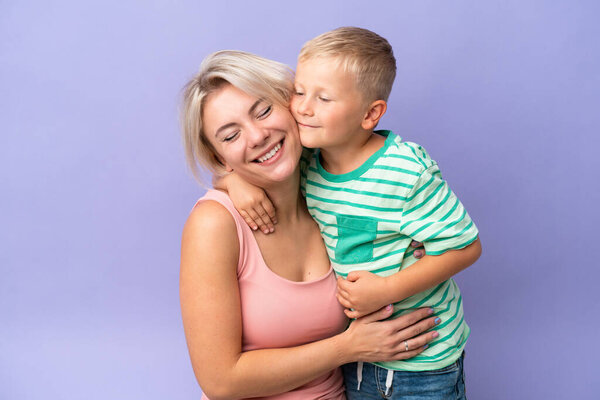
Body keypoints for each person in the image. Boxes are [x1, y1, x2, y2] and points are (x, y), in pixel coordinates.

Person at [220, 27, 482, 399]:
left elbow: (466, 247)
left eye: (324, 98)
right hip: (355, 355)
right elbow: (249, 159)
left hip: (422, 358)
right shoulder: (307, 160)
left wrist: (387, 290)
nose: (304, 108)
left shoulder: (405, 171)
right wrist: (234, 182)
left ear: (369, 114)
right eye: (299, 92)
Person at [179, 50, 440, 400]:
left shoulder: (332, 194)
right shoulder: (214, 225)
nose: (256, 136)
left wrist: (411, 246)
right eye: (230, 136)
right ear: (218, 157)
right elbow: (220, 382)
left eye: (264, 110)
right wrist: (348, 347)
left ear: (294, 105)